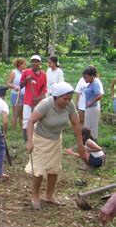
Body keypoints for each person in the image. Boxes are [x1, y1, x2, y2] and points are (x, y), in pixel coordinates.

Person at [25, 82, 86, 210]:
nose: (67, 101)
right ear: (56, 97)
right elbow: (31, 121)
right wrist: (29, 141)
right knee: (39, 170)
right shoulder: (46, 104)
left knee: (54, 169)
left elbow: (76, 125)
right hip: (40, 139)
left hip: (56, 139)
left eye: (69, 99)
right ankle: (35, 196)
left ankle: (49, 195)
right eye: (64, 99)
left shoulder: (69, 105)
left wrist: (80, 145)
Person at [20, 55, 47, 141]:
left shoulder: (43, 75)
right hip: (28, 101)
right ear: (31, 63)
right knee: (26, 120)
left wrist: (38, 98)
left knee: (37, 120)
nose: (35, 63)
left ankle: (36, 138)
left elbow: (44, 88)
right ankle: (27, 140)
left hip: (38, 101)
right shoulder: (26, 72)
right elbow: (20, 86)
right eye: (33, 62)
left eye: (36, 62)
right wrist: (26, 80)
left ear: (39, 63)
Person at [81, 67, 102, 139]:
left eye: (86, 78)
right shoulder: (89, 85)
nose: (85, 79)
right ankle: (87, 140)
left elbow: (99, 95)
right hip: (88, 108)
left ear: (92, 76)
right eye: (84, 78)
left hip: (92, 108)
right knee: (87, 125)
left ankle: (92, 140)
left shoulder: (94, 84)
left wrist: (91, 101)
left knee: (92, 125)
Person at [7, 58, 26, 130]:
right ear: (20, 65)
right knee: (16, 114)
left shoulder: (25, 72)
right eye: (24, 64)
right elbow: (8, 83)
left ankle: (22, 129)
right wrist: (14, 86)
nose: (25, 66)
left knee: (22, 114)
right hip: (16, 95)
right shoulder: (13, 72)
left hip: (24, 95)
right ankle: (13, 130)